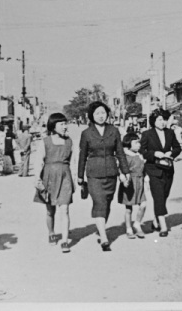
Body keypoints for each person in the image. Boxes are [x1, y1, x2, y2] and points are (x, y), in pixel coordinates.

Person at [77, 101, 130, 252]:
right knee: (99, 202)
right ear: (92, 116)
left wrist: (125, 172)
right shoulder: (86, 133)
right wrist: (80, 176)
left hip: (111, 172)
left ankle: (101, 230)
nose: (101, 116)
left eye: (103, 113)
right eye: (97, 113)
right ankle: (104, 238)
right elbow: (82, 156)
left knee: (107, 203)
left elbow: (120, 152)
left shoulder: (114, 130)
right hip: (94, 173)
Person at [33, 113, 74, 253]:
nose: (65, 126)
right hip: (49, 177)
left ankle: (64, 240)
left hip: (65, 177)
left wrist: (78, 179)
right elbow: (39, 161)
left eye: (65, 123)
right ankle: (51, 233)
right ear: (53, 126)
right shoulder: (45, 142)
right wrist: (37, 179)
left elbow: (72, 162)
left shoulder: (69, 142)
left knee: (65, 209)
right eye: (61, 124)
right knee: (50, 210)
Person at [140, 108, 182, 237]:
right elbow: (142, 150)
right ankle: (163, 226)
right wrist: (154, 154)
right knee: (158, 196)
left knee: (164, 196)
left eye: (164, 119)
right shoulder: (147, 134)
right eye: (159, 119)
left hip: (168, 169)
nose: (162, 122)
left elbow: (177, 148)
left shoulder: (170, 133)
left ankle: (155, 220)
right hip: (153, 169)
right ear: (153, 121)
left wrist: (171, 153)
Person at [118, 132, 147, 239]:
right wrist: (123, 179)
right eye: (136, 143)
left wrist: (146, 176)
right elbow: (121, 169)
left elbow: (143, 168)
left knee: (143, 205)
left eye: (139, 143)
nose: (139, 145)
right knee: (128, 208)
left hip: (140, 183)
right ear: (128, 144)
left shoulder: (139, 155)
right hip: (130, 183)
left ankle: (137, 223)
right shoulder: (126, 156)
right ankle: (129, 228)